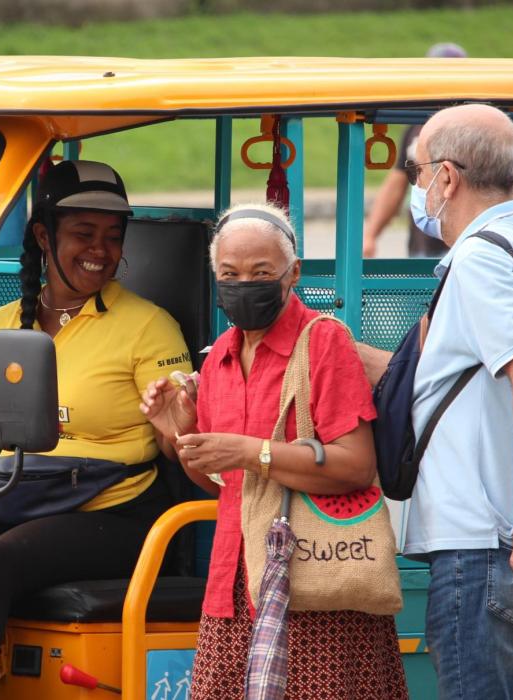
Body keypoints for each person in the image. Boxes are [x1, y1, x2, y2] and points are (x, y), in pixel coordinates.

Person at [357, 104, 513, 699]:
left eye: (416, 171)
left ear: (448, 178)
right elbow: (439, 379)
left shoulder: (481, 258)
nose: (414, 186)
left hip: (489, 548)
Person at [141, 203, 408, 699]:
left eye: (261, 273)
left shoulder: (323, 342)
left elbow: (355, 464)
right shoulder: (218, 357)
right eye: (230, 274)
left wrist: (250, 451)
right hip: (234, 587)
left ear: (293, 274)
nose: (245, 284)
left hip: (314, 589)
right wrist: (177, 436)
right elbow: (225, 486)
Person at [0, 160, 192, 670]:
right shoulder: (2, 325)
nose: (100, 251)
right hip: (16, 497)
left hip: (113, 514)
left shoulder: (148, 327)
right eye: (83, 233)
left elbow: (180, 439)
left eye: (112, 237)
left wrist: (177, 423)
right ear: (43, 237)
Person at [362, 42, 467, 258]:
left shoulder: (475, 125)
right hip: (422, 249)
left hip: (466, 247)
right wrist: (370, 235)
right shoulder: (417, 124)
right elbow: (398, 181)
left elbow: (505, 183)